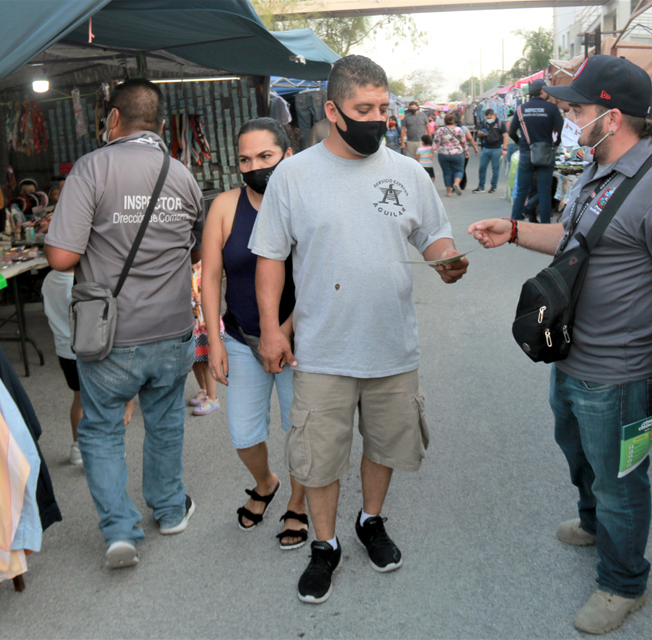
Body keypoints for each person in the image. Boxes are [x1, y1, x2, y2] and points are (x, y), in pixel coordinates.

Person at [469, 56, 652, 634]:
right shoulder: (597, 170)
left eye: (577, 111)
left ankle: (623, 583)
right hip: (571, 354)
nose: (569, 120)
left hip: (621, 372)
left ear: (612, 117)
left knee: (621, 482)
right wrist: (515, 230)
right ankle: (595, 524)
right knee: (579, 456)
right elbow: (576, 239)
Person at [250, 54, 469, 605]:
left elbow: (433, 237)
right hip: (322, 349)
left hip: (392, 345)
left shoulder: (408, 174)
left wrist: (447, 259)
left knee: (385, 444)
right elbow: (270, 257)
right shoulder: (293, 176)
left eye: (383, 108)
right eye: (363, 109)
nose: (377, 119)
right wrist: (273, 330)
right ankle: (324, 545)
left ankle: (371, 520)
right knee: (319, 456)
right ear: (332, 111)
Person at [44, 78, 204, 569]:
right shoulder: (182, 174)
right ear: (161, 124)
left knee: (101, 430)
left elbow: (61, 258)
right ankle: (171, 511)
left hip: (112, 334)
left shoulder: (92, 168)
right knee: (166, 421)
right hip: (173, 329)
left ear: (113, 118)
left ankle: (120, 532)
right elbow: (194, 250)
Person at [200, 117, 309, 549]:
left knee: (301, 430)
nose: (255, 166)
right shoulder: (225, 206)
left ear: (288, 155)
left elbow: (319, 277)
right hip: (240, 338)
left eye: (265, 156)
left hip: (300, 342)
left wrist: (281, 332)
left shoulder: (307, 204)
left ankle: (298, 502)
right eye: (245, 160)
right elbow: (211, 277)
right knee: (244, 434)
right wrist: (213, 341)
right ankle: (266, 483)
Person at [41, 269, 135, 467]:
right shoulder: (82, 281)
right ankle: (104, 448)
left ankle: (78, 447)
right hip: (90, 348)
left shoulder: (49, 279)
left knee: (79, 399)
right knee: (103, 400)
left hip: (64, 349)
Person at [509, 79, 563, 222]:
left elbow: (511, 132)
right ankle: (544, 226)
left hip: (526, 153)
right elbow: (561, 130)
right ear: (543, 91)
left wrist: (521, 144)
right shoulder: (551, 108)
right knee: (544, 192)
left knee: (522, 191)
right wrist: (555, 144)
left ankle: (514, 224)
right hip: (545, 152)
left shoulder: (520, 109)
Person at [188, 261, 220, 416]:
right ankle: (204, 389)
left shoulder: (208, 273)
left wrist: (204, 298)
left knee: (207, 360)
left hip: (206, 324)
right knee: (195, 359)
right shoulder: (186, 273)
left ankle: (212, 398)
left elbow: (216, 294)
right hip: (192, 323)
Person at [434, 113, 476, 197]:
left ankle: (448, 192)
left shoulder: (440, 130)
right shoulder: (459, 130)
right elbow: (463, 142)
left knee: (446, 172)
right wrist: (466, 151)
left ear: (444, 121)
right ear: (453, 121)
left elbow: (436, 142)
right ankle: (456, 183)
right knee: (459, 170)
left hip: (443, 154)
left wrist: (431, 152)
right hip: (457, 153)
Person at [473, 108, 509, 194]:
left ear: (494, 115)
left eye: (490, 118)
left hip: (496, 148)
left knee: (495, 169)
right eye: (487, 118)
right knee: (482, 168)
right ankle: (481, 186)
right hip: (486, 148)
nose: (488, 119)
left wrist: (504, 148)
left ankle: (493, 186)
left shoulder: (500, 123)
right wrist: (482, 133)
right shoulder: (484, 123)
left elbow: (505, 135)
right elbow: (479, 132)